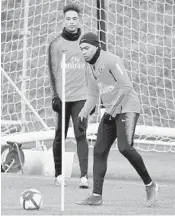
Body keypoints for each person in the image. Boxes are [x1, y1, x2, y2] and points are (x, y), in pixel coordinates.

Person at [76, 32, 159, 206]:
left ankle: (150, 185)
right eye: (81, 48)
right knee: (99, 150)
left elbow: (126, 87)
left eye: (87, 48)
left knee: (125, 148)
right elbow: (92, 95)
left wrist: (112, 110)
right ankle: (96, 196)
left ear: (96, 46)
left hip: (128, 108)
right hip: (111, 112)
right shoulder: (88, 67)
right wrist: (83, 113)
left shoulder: (112, 60)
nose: (83, 51)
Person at [48, 3, 91, 188]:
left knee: (81, 134)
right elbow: (52, 71)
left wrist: (93, 97)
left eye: (75, 19)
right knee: (60, 135)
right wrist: (55, 96)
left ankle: (83, 177)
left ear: (79, 20)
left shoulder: (87, 42)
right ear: (63, 20)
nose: (71, 22)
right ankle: (59, 175)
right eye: (68, 19)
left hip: (81, 97)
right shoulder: (56, 44)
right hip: (63, 98)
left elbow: (94, 70)